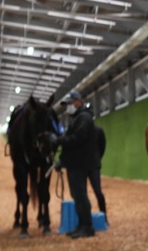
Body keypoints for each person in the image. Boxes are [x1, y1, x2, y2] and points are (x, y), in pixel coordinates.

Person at [49, 91, 96, 239]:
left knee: (81, 195)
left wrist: (58, 140)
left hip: (80, 164)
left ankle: (87, 226)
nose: (68, 106)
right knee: (77, 195)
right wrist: (63, 161)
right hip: (75, 163)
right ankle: (81, 225)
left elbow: (77, 139)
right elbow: (71, 144)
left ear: (78, 101)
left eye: (70, 103)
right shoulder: (77, 118)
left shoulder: (84, 118)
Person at [88, 123, 108, 224]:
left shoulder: (98, 130)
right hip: (81, 166)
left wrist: (97, 158)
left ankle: (104, 216)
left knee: (98, 192)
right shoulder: (78, 130)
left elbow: (102, 146)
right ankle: (85, 218)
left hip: (94, 165)